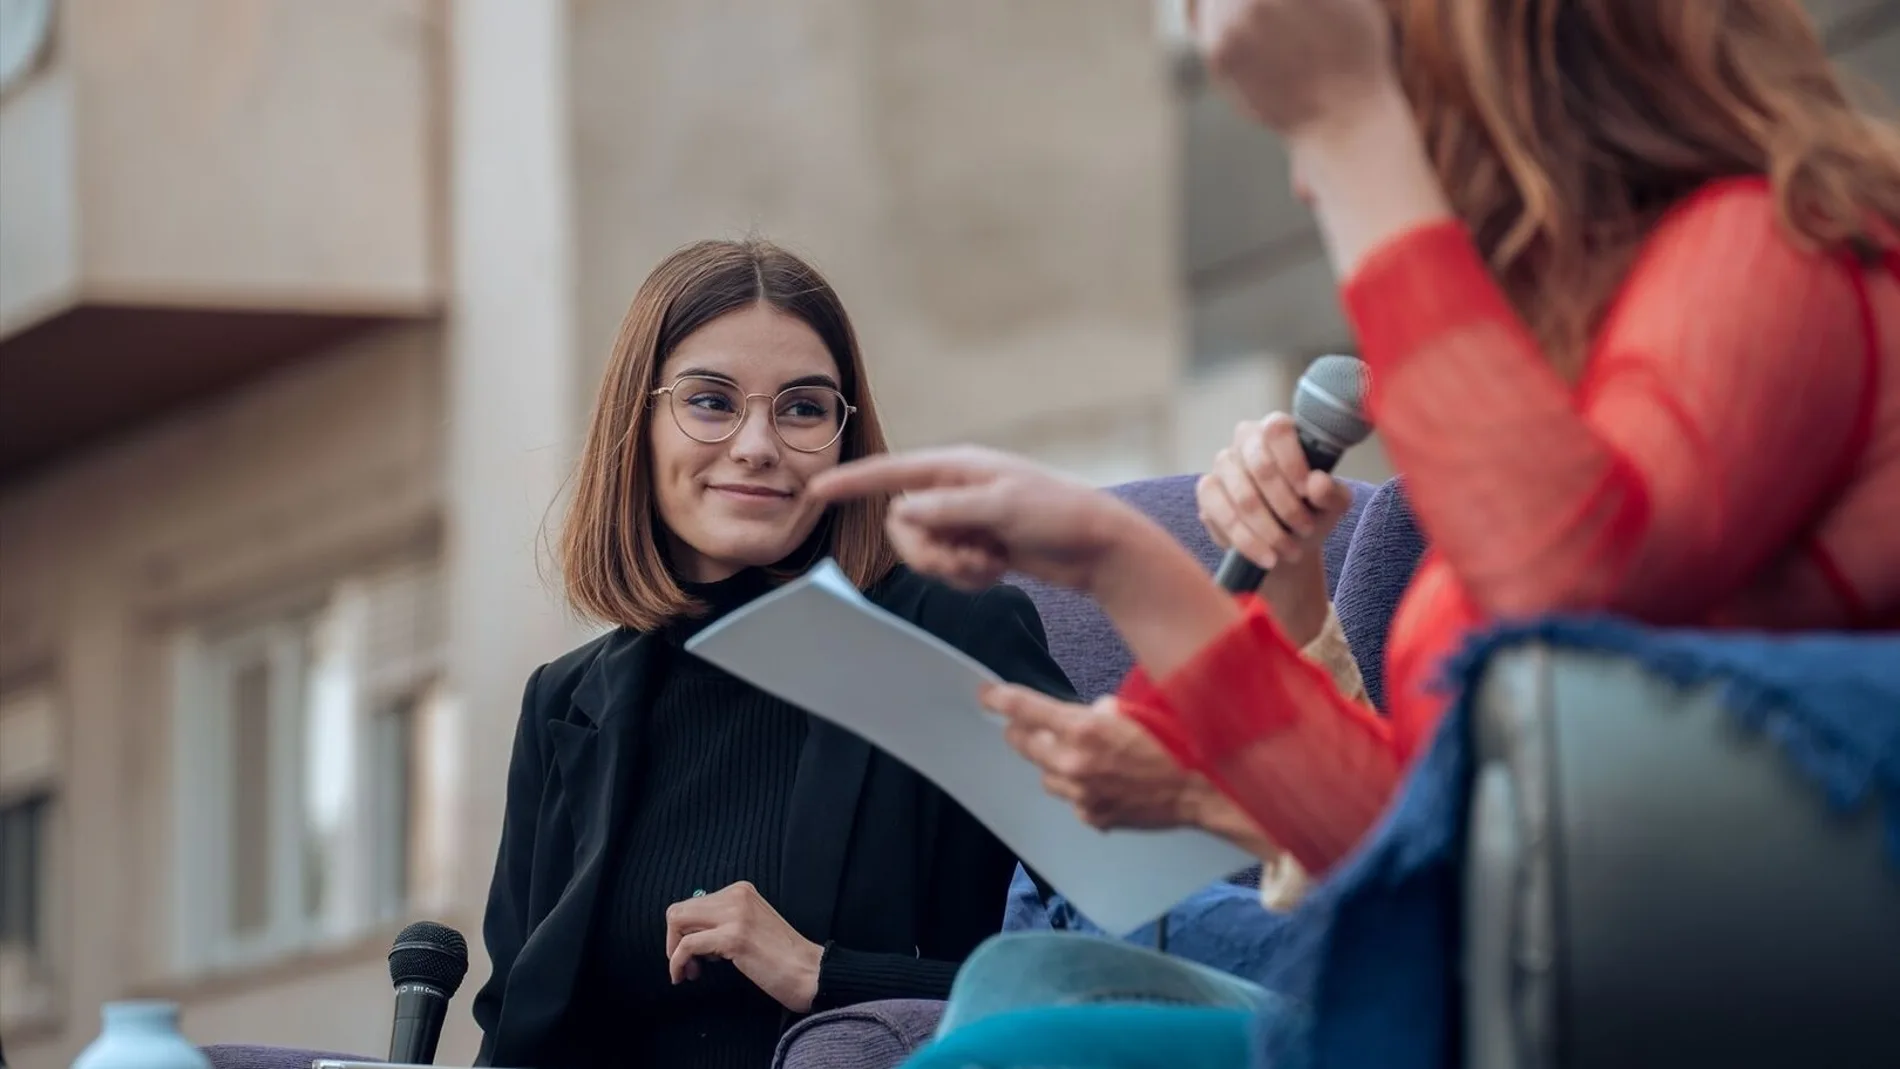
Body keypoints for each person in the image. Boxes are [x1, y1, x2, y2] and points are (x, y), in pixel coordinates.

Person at [815, 0, 1900, 911]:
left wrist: (1346, 122)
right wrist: (1118, 558)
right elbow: (1417, 843)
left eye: (1328, 116)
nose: (1301, 186)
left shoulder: (1774, 243)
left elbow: (1554, 611)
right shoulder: (1624, 362)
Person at [471, 239, 1076, 1069]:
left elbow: (1140, 965)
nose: (759, 445)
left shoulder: (947, 632)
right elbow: (513, 1032)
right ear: (635, 426)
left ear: (844, 438)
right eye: (712, 402)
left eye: (802, 409)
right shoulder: (564, 704)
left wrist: (820, 972)